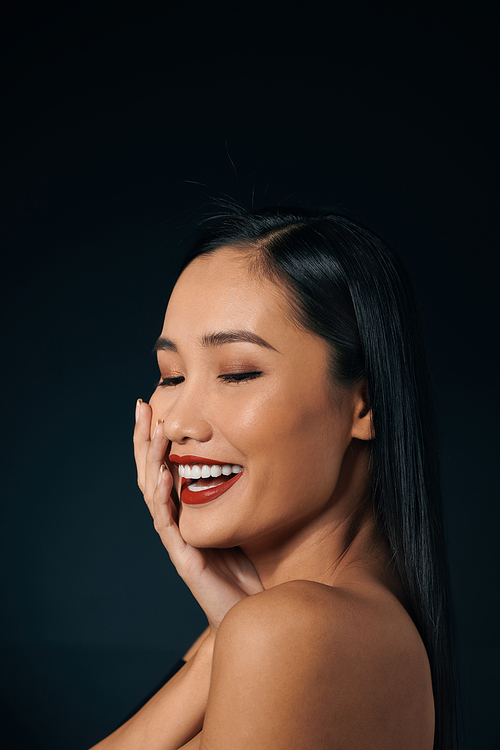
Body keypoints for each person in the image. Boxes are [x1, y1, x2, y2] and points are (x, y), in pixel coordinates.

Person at [91, 206, 457, 749]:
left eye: (238, 373)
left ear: (365, 402)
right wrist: (223, 637)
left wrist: (227, 639)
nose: (180, 423)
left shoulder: (291, 631)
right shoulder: (288, 625)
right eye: (172, 376)